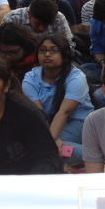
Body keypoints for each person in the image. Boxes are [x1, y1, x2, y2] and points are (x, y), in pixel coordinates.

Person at [22, 34, 94, 166]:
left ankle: (101, 157)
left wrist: (47, 142)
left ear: (65, 55)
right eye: (43, 50)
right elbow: (39, 114)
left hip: (79, 123)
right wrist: (51, 139)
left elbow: (64, 112)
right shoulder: (30, 78)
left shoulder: (76, 77)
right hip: (48, 122)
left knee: (44, 150)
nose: (47, 54)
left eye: (54, 50)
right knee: (47, 147)